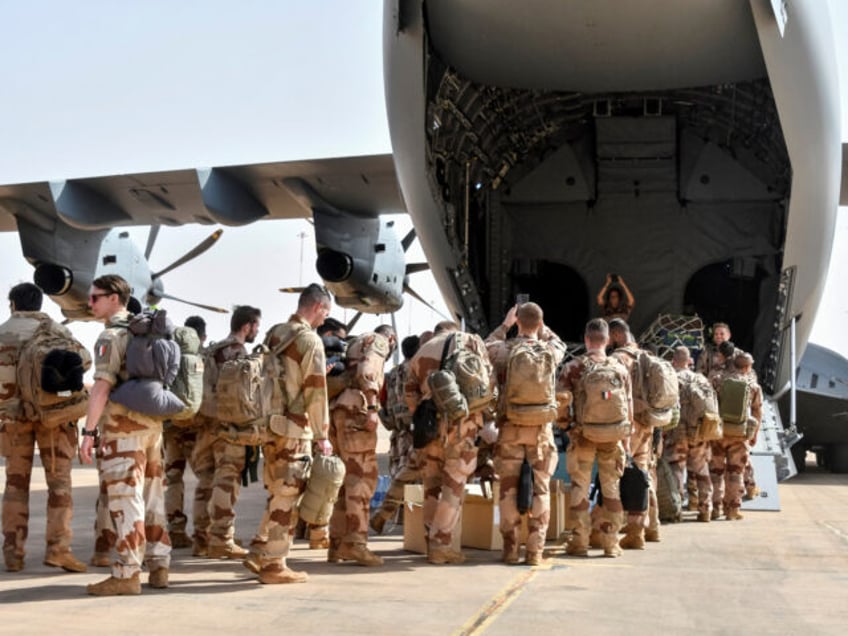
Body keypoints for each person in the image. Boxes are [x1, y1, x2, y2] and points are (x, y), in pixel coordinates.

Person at [79, 274, 170, 596]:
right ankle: (159, 567)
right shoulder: (143, 330)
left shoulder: (111, 336)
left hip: (122, 432)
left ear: (114, 298)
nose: (90, 303)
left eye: (95, 298)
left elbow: (101, 387)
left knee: (125, 500)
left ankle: (127, 573)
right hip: (152, 429)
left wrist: (89, 432)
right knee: (153, 497)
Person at [242, 283, 334, 584]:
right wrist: (322, 434)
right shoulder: (310, 340)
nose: (324, 320)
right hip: (294, 430)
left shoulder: (276, 333)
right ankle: (275, 565)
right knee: (288, 494)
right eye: (326, 313)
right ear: (318, 307)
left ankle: (259, 549)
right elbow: (316, 391)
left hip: (270, 426)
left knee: (278, 491)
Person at [0, 283, 89, 573]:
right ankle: (58, 550)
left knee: (15, 485)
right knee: (59, 485)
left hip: (12, 422)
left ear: (12, 304)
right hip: (55, 419)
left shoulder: (3, 332)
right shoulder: (54, 331)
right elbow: (84, 360)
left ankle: (13, 553)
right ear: (39, 304)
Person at [404, 321, 492, 565]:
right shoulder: (470, 341)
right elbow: (485, 383)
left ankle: (430, 538)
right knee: (454, 484)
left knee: (431, 483)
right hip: (461, 426)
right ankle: (441, 544)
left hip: (429, 427)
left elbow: (409, 394)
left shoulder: (422, 351)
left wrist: (424, 416)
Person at [485, 302, 566, 565]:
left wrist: (506, 325)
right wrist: (541, 328)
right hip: (541, 429)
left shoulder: (505, 349)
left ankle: (510, 550)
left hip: (510, 427)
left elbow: (485, 347)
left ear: (518, 320)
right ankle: (535, 551)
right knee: (541, 490)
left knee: (508, 490)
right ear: (540, 324)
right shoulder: (551, 351)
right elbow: (559, 342)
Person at [190, 306, 261, 559]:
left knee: (206, 482)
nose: (257, 331)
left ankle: (201, 539)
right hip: (227, 426)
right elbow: (244, 395)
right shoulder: (238, 352)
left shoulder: (213, 349)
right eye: (256, 326)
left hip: (205, 423)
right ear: (247, 326)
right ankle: (221, 538)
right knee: (227, 480)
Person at [558, 318, 632, 558]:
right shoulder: (620, 368)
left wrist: (568, 428)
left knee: (580, 487)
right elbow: (628, 404)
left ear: (586, 339)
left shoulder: (573, 367)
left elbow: (560, 403)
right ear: (608, 340)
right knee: (612, 489)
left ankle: (579, 542)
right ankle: (611, 543)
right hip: (613, 436)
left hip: (583, 436)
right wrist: (626, 438)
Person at [327, 324, 396, 566]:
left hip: (338, 409)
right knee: (363, 479)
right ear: (392, 338)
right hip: (357, 410)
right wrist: (373, 407)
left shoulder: (356, 342)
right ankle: (357, 544)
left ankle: (337, 545)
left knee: (346, 483)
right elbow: (369, 372)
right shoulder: (378, 341)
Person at [609, 318, 661, 548]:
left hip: (628, 426)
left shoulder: (618, 358)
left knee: (616, 475)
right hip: (647, 423)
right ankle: (649, 529)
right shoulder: (645, 356)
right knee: (643, 476)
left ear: (617, 335)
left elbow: (609, 394)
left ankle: (609, 531)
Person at [162, 315, 207, 549]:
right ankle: (205, 533)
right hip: (193, 427)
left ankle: (176, 529)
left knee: (173, 478)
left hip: (170, 427)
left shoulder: (171, 355)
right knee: (206, 476)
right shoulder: (201, 358)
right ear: (202, 336)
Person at [371, 334, 422, 534]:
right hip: (415, 432)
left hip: (398, 432)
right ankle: (408, 520)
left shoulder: (391, 374)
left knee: (398, 474)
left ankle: (399, 518)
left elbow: (383, 403)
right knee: (413, 477)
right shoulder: (417, 371)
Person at [709, 353, 762, 521]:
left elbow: (709, 404)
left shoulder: (717, 380)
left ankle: (715, 508)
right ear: (747, 367)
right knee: (736, 472)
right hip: (739, 435)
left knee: (716, 472)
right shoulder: (753, 386)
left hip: (718, 432)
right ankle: (733, 510)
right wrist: (754, 434)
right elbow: (757, 411)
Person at [664, 346, 714, 522]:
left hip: (676, 433)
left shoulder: (671, 378)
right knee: (701, 470)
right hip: (698, 433)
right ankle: (705, 509)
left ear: (673, 361)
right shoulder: (700, 379)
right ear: (689, 360)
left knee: (677, 470)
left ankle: (676, 511)